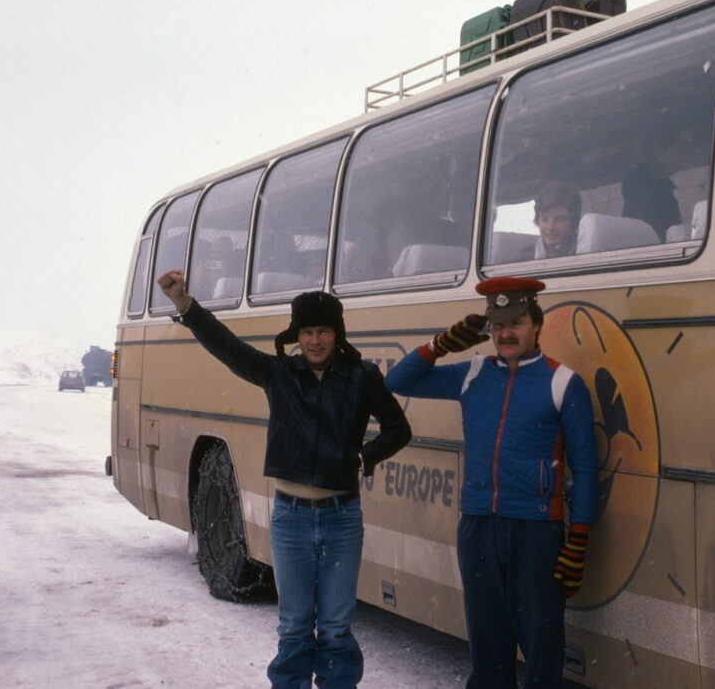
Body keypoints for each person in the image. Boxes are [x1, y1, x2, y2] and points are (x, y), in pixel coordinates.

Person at [156, 269, 411, 689]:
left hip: (341, 518)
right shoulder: (278, 374)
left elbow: (398, 429)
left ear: (337, 333)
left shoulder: (361, 375)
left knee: (335, 627)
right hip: (290, 519)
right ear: (296, 334)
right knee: (294, 625)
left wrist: (365, 457)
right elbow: (228, 347)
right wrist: (185, 304)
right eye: (307, 332)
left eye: (323, 331)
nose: (315, 341)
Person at [385, 276, 598, 689]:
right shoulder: (473, 373)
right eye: (497, 325)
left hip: (536, 532)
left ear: (536, 324)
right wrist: (441, 345)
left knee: (542, 652)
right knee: (487, 653)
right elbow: (398, 382)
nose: (505, 333)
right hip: (478, 526)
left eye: (515, 322)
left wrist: (579, 539)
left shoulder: (563, 382)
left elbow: (586, 468)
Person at [622, 132, 687, 240]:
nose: (682, 158)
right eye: (677, 152)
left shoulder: (661, 189)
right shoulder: (645, 194)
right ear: (660, 154)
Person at [518, 181, 582, 260]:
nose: (550, 227)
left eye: (559, 220)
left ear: (573, 222)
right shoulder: (522, 261)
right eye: (544, 220)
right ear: (537, 221)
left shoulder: (587, 251)